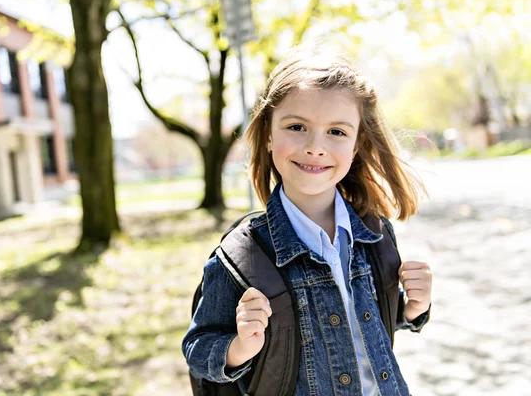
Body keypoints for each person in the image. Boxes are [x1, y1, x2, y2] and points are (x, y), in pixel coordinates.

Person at [182, 44, 433, 395]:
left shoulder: (375, 233)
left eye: (337, 132)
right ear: (268, 133)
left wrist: (411, 308)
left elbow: (367, 325)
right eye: (297, 126)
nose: (316, 146)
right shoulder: (242, 257)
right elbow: (198, 348)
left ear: (357, 143)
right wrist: (239, 348)